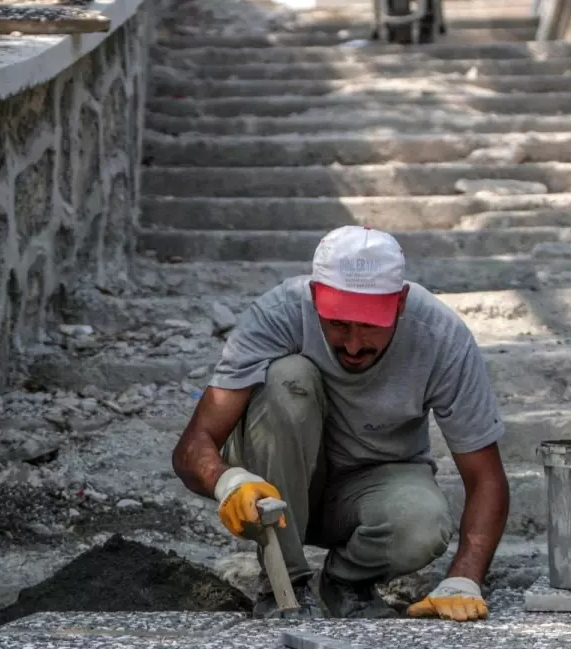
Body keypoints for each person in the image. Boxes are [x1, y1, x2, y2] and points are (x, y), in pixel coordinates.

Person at [171, 226, 510, 622]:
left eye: (369, 325)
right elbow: (192, 446)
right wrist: (228, 481)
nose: (352, 345)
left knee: (423, 522)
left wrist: (464, 579)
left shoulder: (440, 337)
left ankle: (345, 583)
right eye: (338, 324)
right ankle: (284, 583)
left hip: (372, 491)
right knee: (287, 378)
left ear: (400, 303)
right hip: (277, 488)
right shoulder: (280, 313)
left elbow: (486, 478)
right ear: (315, 297)